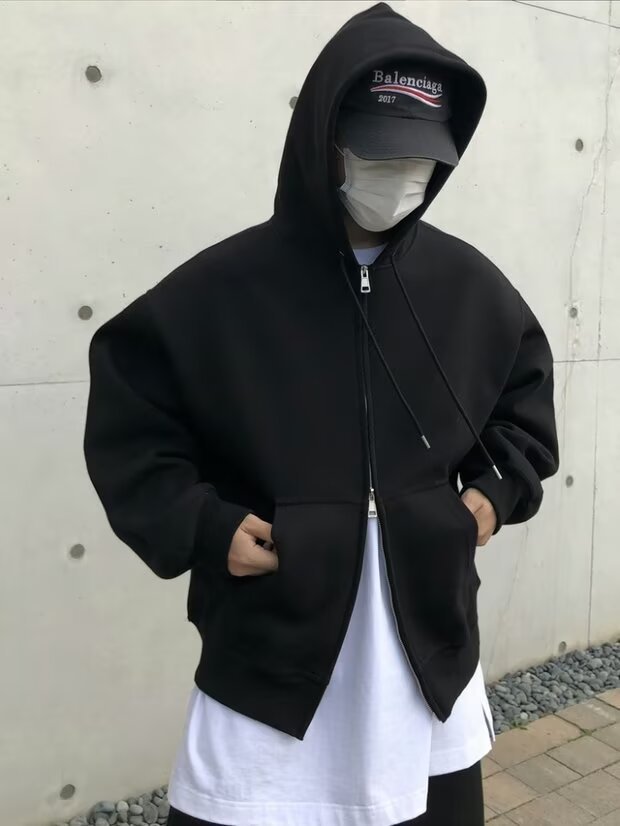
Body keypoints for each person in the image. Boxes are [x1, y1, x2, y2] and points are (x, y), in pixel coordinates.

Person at [83, 3, 560, 825]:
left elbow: (526, 405)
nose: (402, 173)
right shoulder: (220, 292)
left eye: (421, 156)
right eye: (380, 151)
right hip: (270, 654)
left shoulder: (471, 288)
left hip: (428, 649)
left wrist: (493, 494)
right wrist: (205, 527)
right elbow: (133, 428)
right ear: (324, 140)